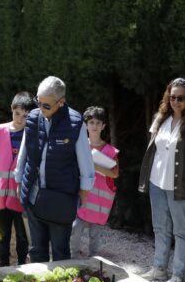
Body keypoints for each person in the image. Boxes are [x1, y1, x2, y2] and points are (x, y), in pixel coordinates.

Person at [14, 76, 95, 262]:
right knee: (36, 250)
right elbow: (24, 152)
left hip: (61, 199)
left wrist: (84, 190)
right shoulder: (33, 117)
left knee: (60, 251)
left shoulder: (75, 123)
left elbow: (85, 160)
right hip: (34, 194)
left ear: (61, 102)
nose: (41, 109)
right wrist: (19, 179)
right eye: (38, 102)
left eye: (46, 106)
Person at [138, 77, 185, 282]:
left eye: (181, 98)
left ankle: (177, 276)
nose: (175, 102)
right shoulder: (160, 119)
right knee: (160, 228)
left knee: (182, 232)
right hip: (157, 183)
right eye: (172, 97)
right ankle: (159, 268)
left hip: (182, 187)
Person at [0, 91, 33, 267]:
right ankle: (3, 262)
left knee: (22, 233)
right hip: (1, 193)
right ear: (11, 110)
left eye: (25, 115)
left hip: (20, 194)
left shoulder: (31, 133)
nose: (20, 119)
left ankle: (21, 262)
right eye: (17, 113)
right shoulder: (0, 131)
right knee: (3, 232)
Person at [70, 106, 119, 258]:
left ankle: (93, 260)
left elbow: (115, 173)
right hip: (80, 198)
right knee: (75, 229)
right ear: (85, 125)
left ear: (103, 126)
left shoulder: (111, 151)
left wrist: (95, 166)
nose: (95, 126)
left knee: (94, 234)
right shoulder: (77, 146)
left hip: (99, 203)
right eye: (91, 122)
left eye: (98, 123)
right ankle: (72, 257)